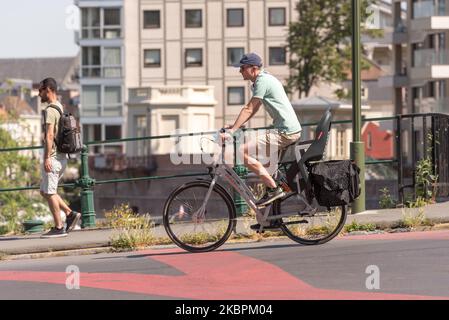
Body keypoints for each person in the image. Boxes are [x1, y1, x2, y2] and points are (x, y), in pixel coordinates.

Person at [221, 53, 302, 229]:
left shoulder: (263, 81)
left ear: (253, 68)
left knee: (241, 152)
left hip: (285, 132)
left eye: (242, 68)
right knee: (269, 170)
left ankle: (275, 190)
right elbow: (254, 108)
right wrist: (235, 125)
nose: (240, 71)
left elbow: (249, 108)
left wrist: (233, 131)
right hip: (286, 130)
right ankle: (273, 218)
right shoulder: (262, 81)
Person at [39, 77, 81, 238]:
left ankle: (59, 227)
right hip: (62, 157)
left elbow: (49, 136)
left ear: (48, 90)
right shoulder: (60, 107)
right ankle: (70, 213)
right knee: (44, 191)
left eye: (40, 90)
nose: (38, 94)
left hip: (54, 157)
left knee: (49, 193)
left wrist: (47, 158)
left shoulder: (50, 110)